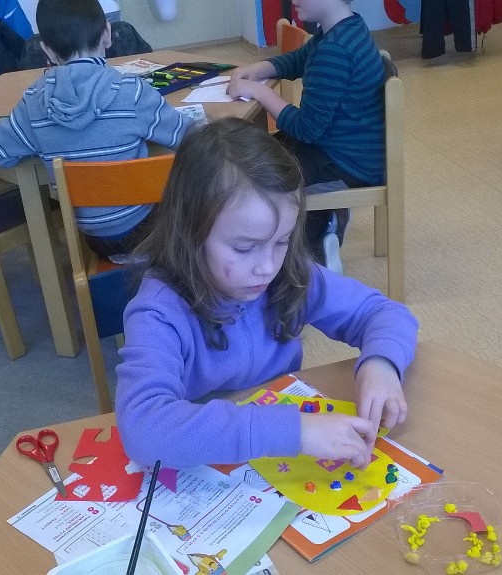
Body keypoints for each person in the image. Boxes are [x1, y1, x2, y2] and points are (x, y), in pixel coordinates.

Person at [115, 118, 418, 469]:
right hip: (205, 461)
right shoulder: (158, 312)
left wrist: (381, 364)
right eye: (245, 248)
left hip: (278, 457)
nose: (267, 266)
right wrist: (295, 432)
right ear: (190, 234)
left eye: (282, 241)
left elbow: (384, 313)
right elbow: (144, 430)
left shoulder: (290, 273)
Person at [0, 0, 189, 262]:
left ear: (47, 50)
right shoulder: (132, 91)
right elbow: (188, 137)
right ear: (107, 33)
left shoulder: (34, 100)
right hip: (148, 227)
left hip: (93, 239)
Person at [226, 0, 387, 273]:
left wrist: (261, 92)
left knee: (261, 177)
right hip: (342, 150)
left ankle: (316, 246)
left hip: (345, 165)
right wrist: (261, 69)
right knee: (258, 154)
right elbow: (299, 59)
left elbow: (306, 128)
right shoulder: (345, 28)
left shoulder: (335, 50)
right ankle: (325, 223)